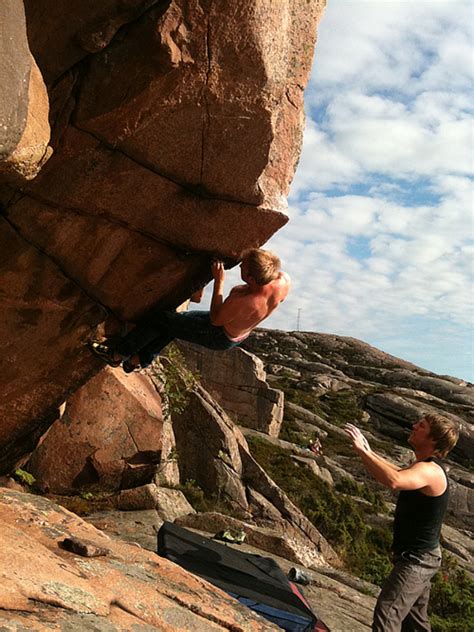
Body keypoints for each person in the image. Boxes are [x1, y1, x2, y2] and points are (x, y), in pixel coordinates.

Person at [344, 414, 459, 632]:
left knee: (388, 613)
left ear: (434, 440)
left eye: (421, 426)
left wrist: (362, 450)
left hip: (418, 560)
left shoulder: (430, 471)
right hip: (419, 557)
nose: (413, 425)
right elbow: (397, 472)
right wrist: (368, 451)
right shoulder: (422, 466)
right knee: (415, 624)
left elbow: (394, 481)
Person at [90, 248, 290, 372]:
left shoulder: (246, 301)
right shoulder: (283, 281)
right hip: (236, 330)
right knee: (173, 324)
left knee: (159, 318)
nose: (239, 266)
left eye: (242, 267)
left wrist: (219, 283)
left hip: (217, 333)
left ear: (251, 279)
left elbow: (216, 319)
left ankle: (118, 354)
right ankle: (137, 360)